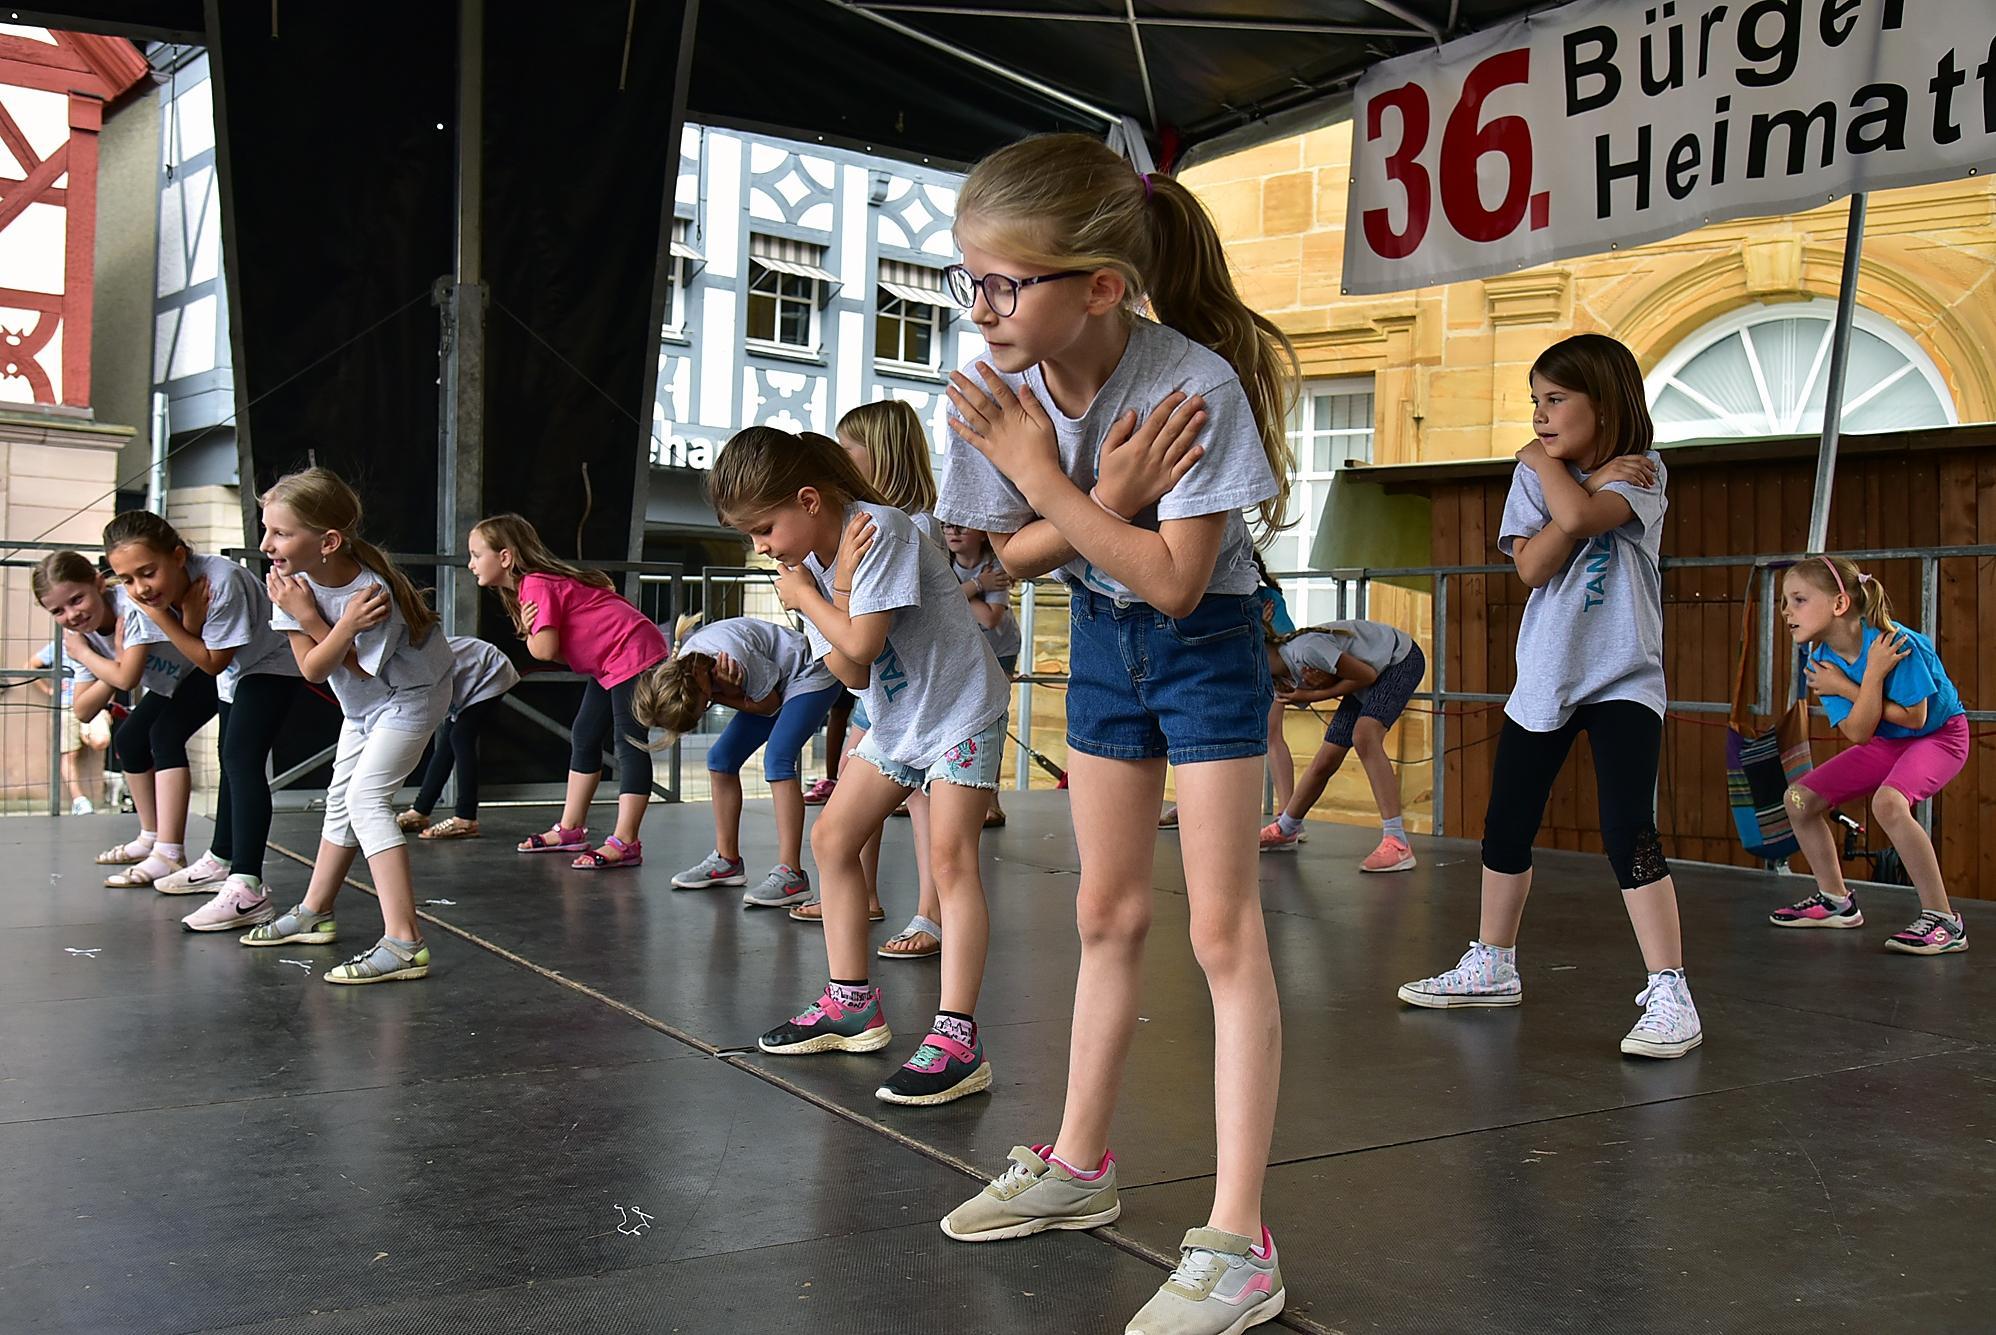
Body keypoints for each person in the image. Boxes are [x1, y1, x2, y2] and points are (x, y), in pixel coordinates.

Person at [933, 134, 1290, 1334]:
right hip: (1101, 638)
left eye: (1003, 283)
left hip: (1201, 644)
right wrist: (1089, 494)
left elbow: (1181, 582)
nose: (980, 309)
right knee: (1104, 911)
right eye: (967, 279)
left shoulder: (1188, 385)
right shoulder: (1005, 396)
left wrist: (1054, 484)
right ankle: (1081, 1168)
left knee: (1221, 927)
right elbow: (1003, 559)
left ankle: (1241, 1241)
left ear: (1094, 285)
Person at [1396, 333, 1702, 1061]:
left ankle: (1670, 987)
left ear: (1606, 401)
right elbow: (1532, 566)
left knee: (1629, 825)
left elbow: (1586, 521)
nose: (1540, 417)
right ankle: (1492, 962)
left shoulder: (1644, 472)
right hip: (1546, 676)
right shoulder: (1539, 474)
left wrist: (1550, 474)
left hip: (1623, 675)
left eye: (1556, 400)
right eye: (1534, 402)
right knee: (1506, 821)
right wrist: (1548, 473)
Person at [713, 425, 1010, 1106]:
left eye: (764, 527)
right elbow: (848, 664)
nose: (760, 547)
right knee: (833, 838)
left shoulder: (881, 529)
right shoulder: (823, 562)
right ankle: (852, 1004)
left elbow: (863, 639)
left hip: (961, 712)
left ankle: (958, 1040)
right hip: (903, 719)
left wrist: (814, 596)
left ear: (809, 499)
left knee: (950, 859)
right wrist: (832, 584)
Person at [238, 468, 454, 983]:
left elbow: (345, 664)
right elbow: (312, 667)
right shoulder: (292, 588)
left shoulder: (371, 592)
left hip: (411, 697)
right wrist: (313, 616)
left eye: (282, 532)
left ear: (328, 542)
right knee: (340, 799)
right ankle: (315, 912)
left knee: (366, 800)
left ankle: (404, 942)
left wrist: (317, 619)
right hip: (364, 706)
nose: (267, 543)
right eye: (266, 529)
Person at [104, 510, 305, 929]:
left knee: (241, 760)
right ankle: (221, 858)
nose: (140, 588)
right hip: (237, 671)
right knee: (225, 753)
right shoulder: (150, 595)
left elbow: (212, 661)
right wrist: (184, 618)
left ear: (178, 556)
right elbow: (195, 646)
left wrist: (166, 619)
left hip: (274, 661)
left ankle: (248, 888)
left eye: (148, 572)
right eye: (127, 579)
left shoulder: (221, 581)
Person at [1768, 556, 1971, 955]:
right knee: (1797, 799)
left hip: (1939, 737)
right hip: (1883, 742)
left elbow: (1916, 718)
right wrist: (1855, 683)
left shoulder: (1895, 642)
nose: (1786, 611)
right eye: (1785, 601)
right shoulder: (1821, 661)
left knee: (1889, 803)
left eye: (1798, 599)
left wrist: (1865, 677)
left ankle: (1944, 920)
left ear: (1839, 604)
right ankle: (1836, 901)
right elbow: (1859, 732)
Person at [469, 514, 668, 869]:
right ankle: (571, 829)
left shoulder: (534, 585)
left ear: (504, 557)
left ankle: (626, 842)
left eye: (475, 554)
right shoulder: (527, 589)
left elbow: (544, 650)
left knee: (629, 742)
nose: (470, 564)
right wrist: (533, 633)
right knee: (585, 733)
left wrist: (530, 634)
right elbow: (557, 648)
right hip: (609, 660)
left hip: (631, 651)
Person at [636, 613, 844, 909]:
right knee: (720, 759)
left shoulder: (732, 660)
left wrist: (727, 696)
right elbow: (761, 700)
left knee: (778, 759)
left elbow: (769, 705)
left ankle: (792, 874)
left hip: (811, 672)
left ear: (701, 689)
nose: (704, 712)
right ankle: (726, 860)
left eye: (701, 710)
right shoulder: (685, 667)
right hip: (772, 685)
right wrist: (729, 694)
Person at [1258, 618, 1424, 872]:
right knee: (1327, 756)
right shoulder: (1281, 672)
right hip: (1370, 673)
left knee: (1365, 735)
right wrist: (1325, 686)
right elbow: (1353, 677)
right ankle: (1287, 828)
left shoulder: (1306, 650)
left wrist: (1312, 694)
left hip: (1398, 659)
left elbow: (1367, 675)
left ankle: (1397, 842)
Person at [395, 635, 522, 839]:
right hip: (467, 679)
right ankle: (420, 811)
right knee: (448, 742)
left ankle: (465, 818)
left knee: (461, 736)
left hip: (490, 671)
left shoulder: (412, 659)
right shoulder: (398, 663)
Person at [944, 521, 1022, 834]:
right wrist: (977, 586)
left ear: (980, 533)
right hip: (964, 650)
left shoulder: (995, 567)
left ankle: (992, 799)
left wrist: (955, 594)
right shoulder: (945, 562)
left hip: (998, 649)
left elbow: (991, 618)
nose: (953, 532)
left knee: (991, 720)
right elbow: (937, 601)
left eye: (962, 527)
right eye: (948, 527)